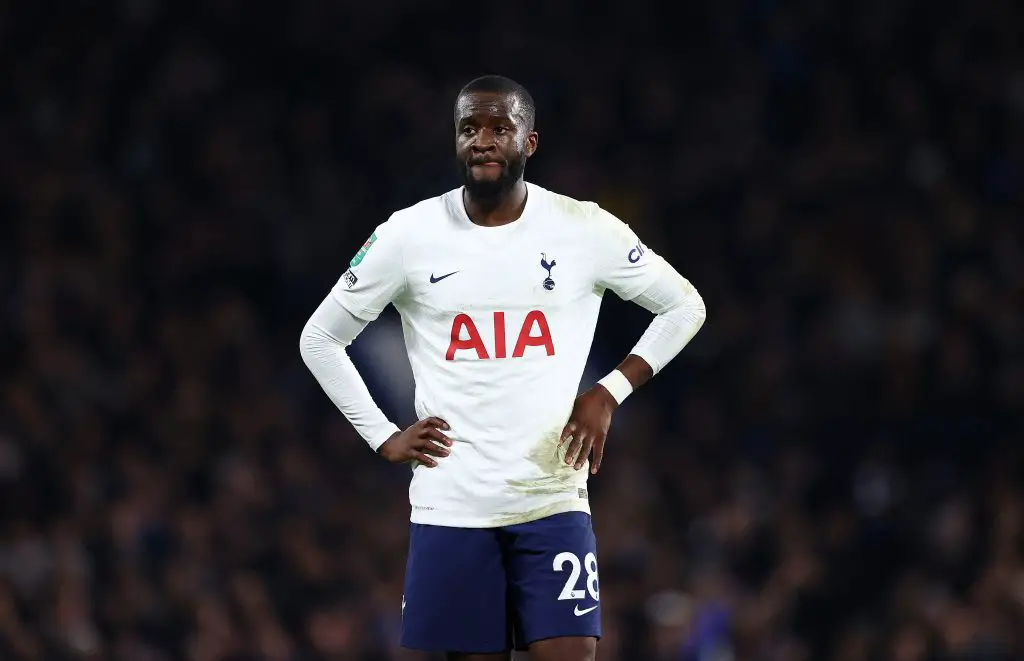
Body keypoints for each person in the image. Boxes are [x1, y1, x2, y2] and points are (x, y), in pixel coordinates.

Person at [299, 75, 706, 661]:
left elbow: (683, 304)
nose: (483, 140)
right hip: (454, 507)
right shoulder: (408, 234)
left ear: (530, 142)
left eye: (498, 127)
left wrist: (609, 391)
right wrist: (382, 436)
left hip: (553, 499)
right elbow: (320, 338)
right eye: (470, 128)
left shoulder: (582, 227)